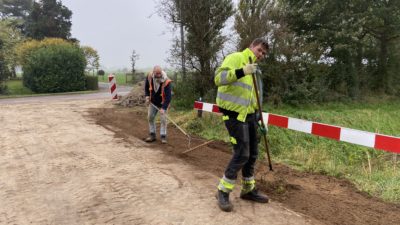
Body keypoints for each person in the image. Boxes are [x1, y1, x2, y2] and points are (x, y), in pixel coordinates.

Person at [214, 38, 269, 212]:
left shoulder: (256, 71)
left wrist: (260, 119)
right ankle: (223, 191)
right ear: (251, 47)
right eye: (259, 50)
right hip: (234, 116)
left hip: (250, 116)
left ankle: (248, 189)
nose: (261, 55)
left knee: (252, 153)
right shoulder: (236, 58)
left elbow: (253, 99)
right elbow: (218, 78)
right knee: (242, 153)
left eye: (264, 53)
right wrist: (241, 71)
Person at [144, 65, 172, 144]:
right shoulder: (149, 77)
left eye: (160, 73)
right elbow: (146, 87)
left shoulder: (166, 81)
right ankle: (152, 135)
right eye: (157, 74)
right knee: (150, 117)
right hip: (153, 102)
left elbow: (168, 97)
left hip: (163, 103)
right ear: (153, 72)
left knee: (163, 120)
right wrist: (147, 96)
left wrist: (163, 108)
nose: (159, 75)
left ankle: (163, 136)